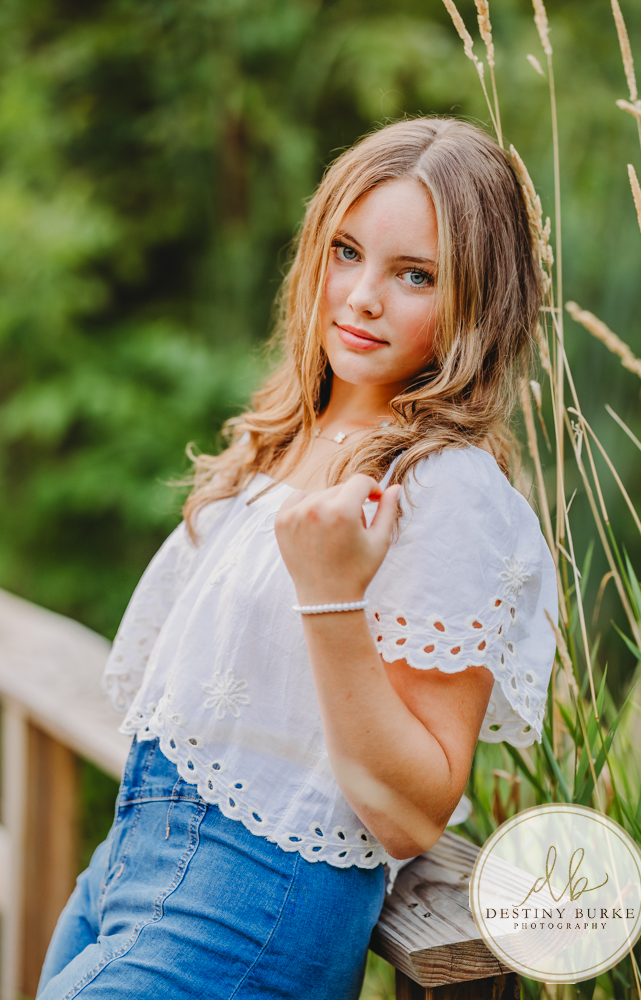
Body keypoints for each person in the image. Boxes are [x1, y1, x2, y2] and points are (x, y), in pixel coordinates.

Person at [37, 117, 557, 1000]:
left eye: (414, 275)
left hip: (249, 903)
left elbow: (414, 808)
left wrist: (330, 597)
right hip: (127, 863)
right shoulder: (289, 437)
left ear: (478, 302)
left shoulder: (445, 489)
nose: (359, 297)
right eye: (346, 251)